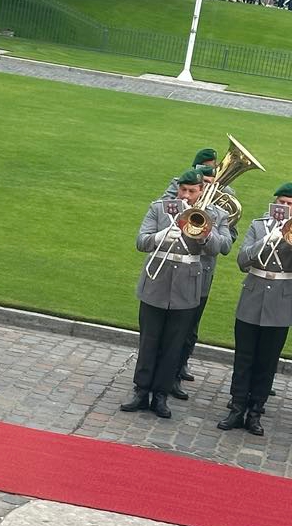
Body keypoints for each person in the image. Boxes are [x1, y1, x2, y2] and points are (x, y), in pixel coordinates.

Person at [122, 169, 228, 419]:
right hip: (156, 282)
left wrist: (205, 235)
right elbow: (141, 241)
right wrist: (160, 236)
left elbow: (222, 248)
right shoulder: (160, 208)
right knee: (149, 340)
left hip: (186, 285)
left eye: (192, 191)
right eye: (183, 190)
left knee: (173, 344)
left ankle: (160, 395)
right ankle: (141, 390)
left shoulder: (215, 215)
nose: (187, 195)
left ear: (202, 190)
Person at [217, 184, 292, 437]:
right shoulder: (259, 226)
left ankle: (256, 411)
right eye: (282, 202)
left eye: (290, 204)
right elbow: (242, 261)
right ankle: (237, 407)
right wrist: (267, 239)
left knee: (267, 361)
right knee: (244, 357)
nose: (285, 207)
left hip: (281, 302)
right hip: (252, 296)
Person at [162, 164, 236, 401]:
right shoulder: (177, 192)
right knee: (166, 330)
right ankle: (160, 376)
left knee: (189, 329)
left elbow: (228, 240)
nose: (209, 183)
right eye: (204, 179)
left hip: (201, 273)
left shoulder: (223, 205)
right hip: (173, 272)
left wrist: (207, 228)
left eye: (210, 179)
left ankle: (176, 372)